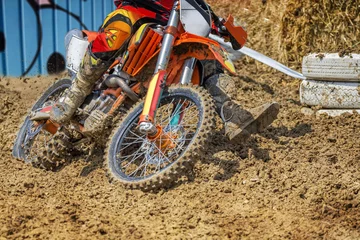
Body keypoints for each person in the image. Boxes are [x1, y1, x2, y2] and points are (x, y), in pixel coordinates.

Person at [50, 0, 279, 144]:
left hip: (175, 28)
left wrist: (222, 26)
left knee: (209, 62)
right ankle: (75, 94)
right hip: (140, 10)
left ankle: (232, 116)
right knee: (119, 30)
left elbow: (202, 10)